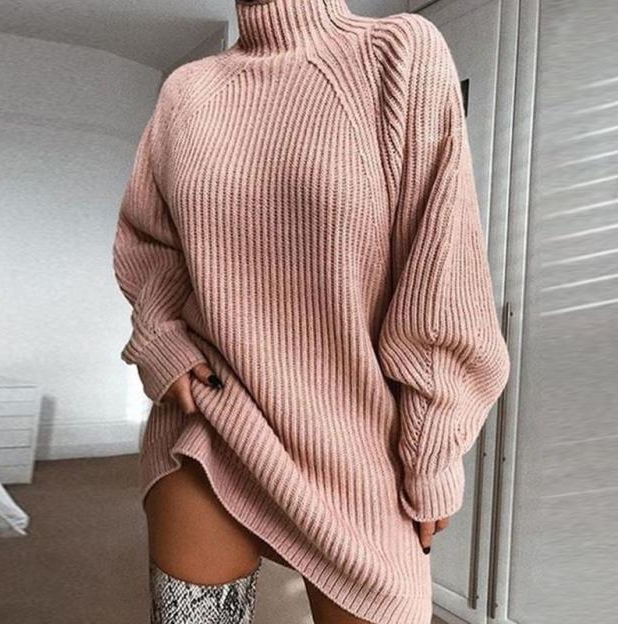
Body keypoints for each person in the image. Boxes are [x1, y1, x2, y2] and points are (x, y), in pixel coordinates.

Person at [111, 1, 511, 623]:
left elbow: (441, 268)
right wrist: (162, 340)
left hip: (360, 444)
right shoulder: (187, 91)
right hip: (211, 419)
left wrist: (432, 449)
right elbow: (151, 242)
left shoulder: (398, 52)